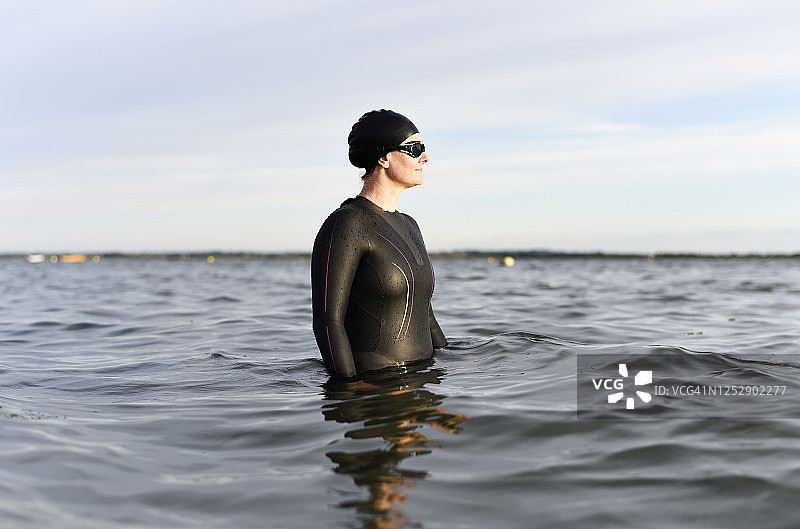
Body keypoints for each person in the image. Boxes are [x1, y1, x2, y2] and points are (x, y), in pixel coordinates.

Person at [311, 109, 447, 379]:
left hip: (423, 381)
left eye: (424, 148)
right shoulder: (347, 224)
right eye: (414, 148)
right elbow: (328, 321)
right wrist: (351, 388)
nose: (425, 157)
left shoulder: (410, 224)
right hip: (374, 387)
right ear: (384, 157)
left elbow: (424, 314)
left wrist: (454, 356)